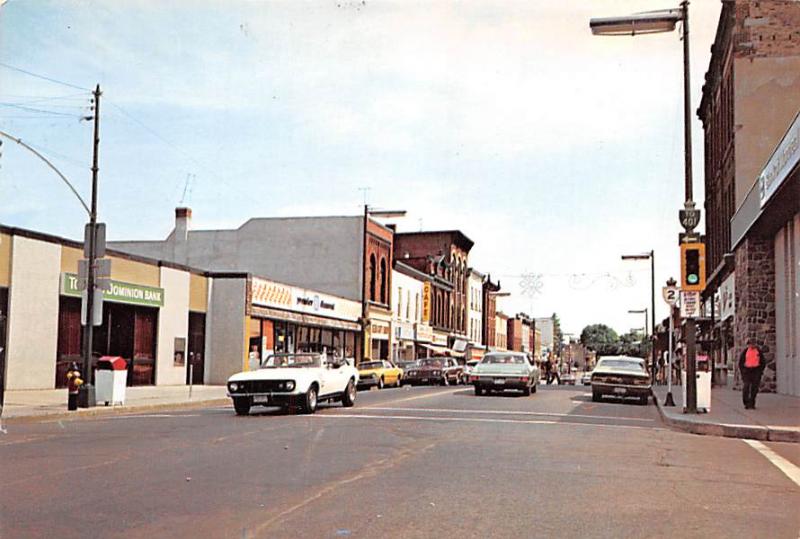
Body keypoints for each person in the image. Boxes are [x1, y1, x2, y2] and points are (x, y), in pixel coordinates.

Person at [738, 338, 765, 410]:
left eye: (754, 344)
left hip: (756, 370)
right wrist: (743, 371)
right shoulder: (745, 352)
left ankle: (752, 403)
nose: (752, 345)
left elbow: (763, 362)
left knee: (754, 388)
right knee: (746, 386)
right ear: (748, 344)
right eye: (751, 344)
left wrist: (760, 371)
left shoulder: (758, 351)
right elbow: (741, 362)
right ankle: (746, 402)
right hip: (747, 371)